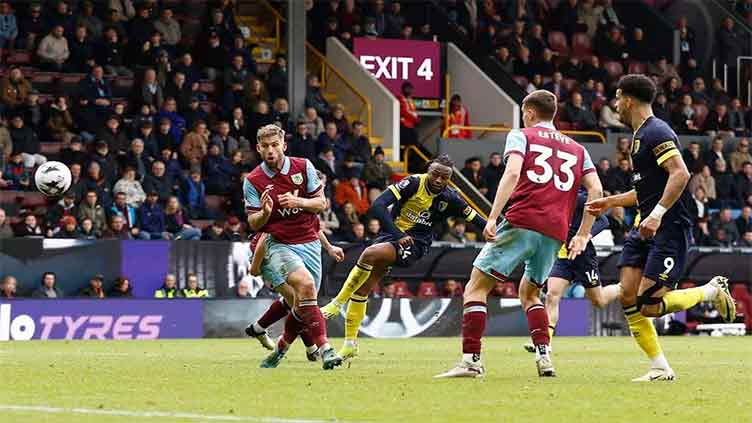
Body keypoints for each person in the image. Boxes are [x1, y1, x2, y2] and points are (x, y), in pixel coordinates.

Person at [434, 90, 601, 379]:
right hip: (555, 231)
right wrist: (583, 234)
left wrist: (493, 216)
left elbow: (511, 173)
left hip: (523, 220)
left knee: (476, 287)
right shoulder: (578, 148)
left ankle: (471, 361)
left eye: (524, 112)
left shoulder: (521, 135)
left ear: (531, 112)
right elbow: (597, 192)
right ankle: (544, 357)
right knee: (530, 293)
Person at [584, 75, 735, 382]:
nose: (614, 104)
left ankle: (710, 290)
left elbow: (680, 173)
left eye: (616, 98)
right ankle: (660, 368)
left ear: (627, 99)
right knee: (627, 295)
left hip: (668, 228)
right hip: (646, 225)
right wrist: (609, 201)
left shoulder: (657, 131)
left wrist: (657, 214)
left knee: (649, 306)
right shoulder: (640, 137)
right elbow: (645, 191)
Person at [320, 154, 487, 361]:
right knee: (364, 287)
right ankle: (349, 345)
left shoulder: (451, 198)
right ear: (428, 171)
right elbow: (378, 206)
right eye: (435, 174)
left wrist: (495, 230)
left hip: (416, 244)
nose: (438, 180)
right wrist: (398, 235)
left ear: (449, 179)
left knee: (369, 253)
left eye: (444, 178)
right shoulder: (412, 183)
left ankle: (337, 303)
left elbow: (477, 219)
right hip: (393, 235)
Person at [242, 124, 342, 370]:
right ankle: (324, 348)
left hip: (309, 242)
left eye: (275, 145)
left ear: (283, 146)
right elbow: (253, 222)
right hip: (280, 245)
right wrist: (265, 213)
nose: (270, 150)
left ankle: (280, 348)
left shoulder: (303, 166)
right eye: (265, 146)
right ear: (258, 148)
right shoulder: (253, 180)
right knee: (304, 287)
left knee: (304, 302)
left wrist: (299, 201)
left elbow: (321, 203)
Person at [522, 188, 619, 353]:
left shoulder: (580, 199)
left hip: (583, 256)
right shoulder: (549, 199)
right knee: (552, 295)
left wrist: (586, 236)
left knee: (599, 300)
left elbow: (603, 221)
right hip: (562, 256)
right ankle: (545, 342)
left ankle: (621, 288)